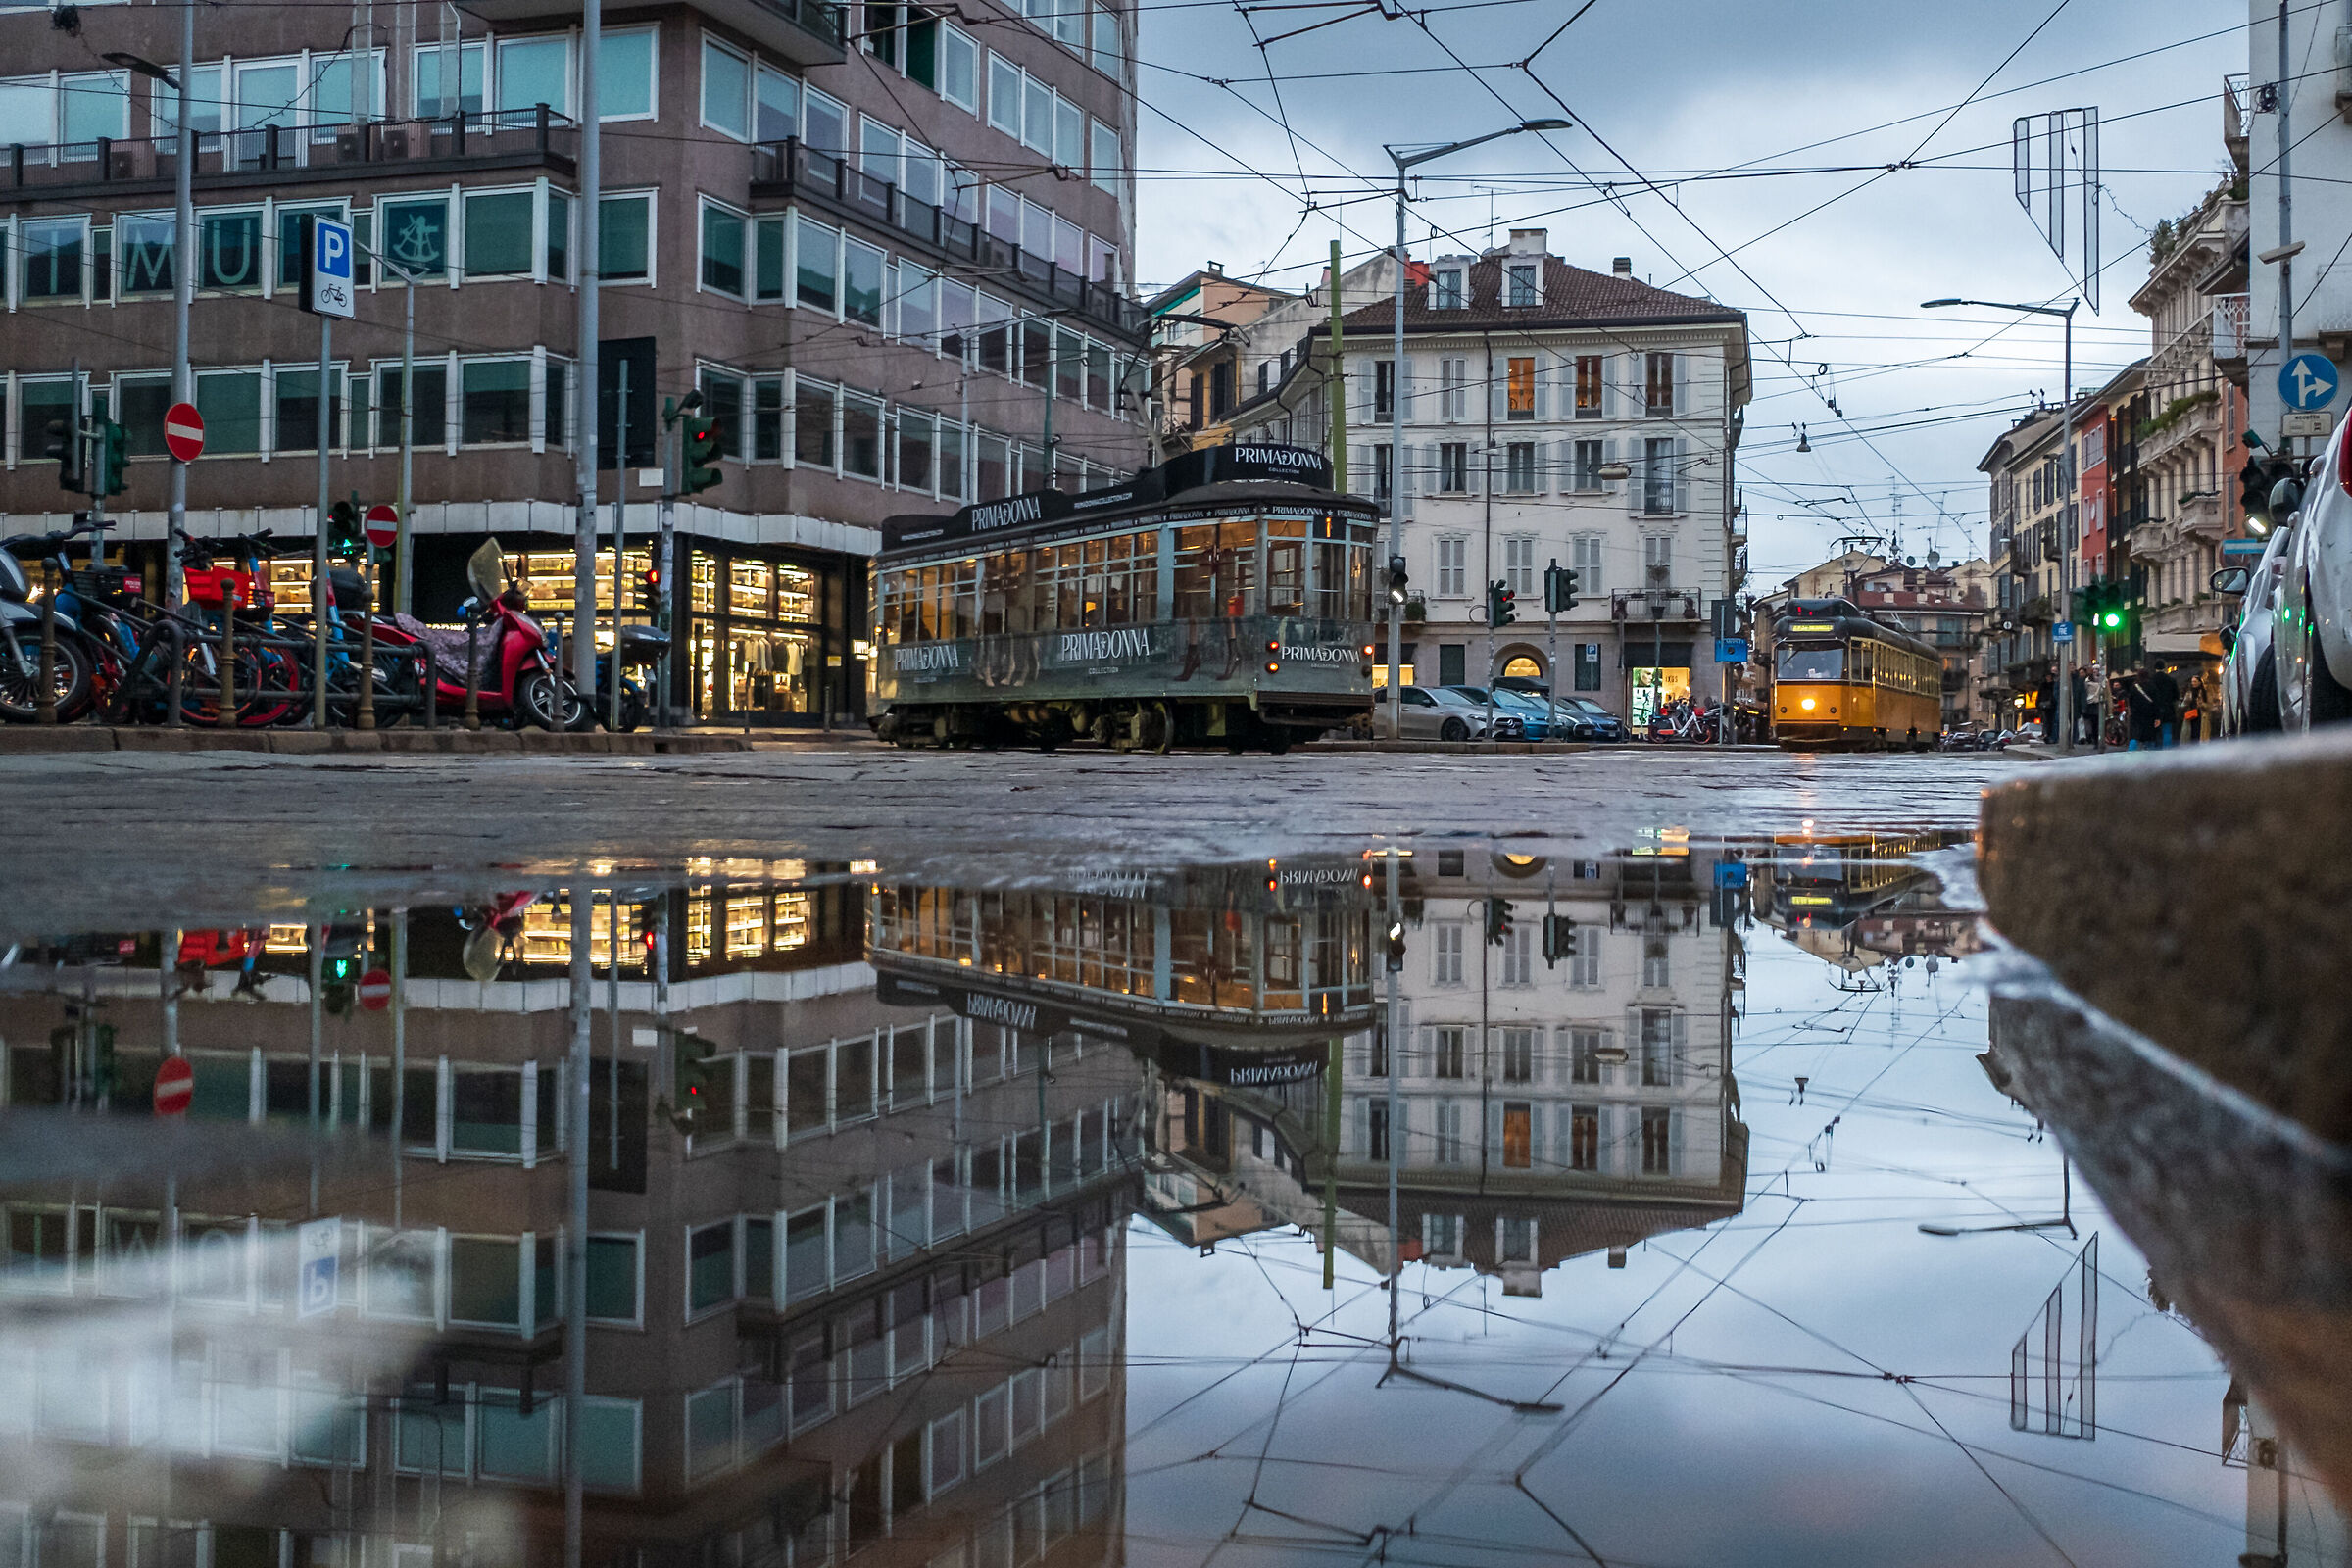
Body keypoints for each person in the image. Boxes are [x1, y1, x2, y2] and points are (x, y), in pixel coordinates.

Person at [2121, 666, 2160, 751]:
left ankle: (2131, 752)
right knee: (2149, 736)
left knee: (2134, 735)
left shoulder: (2134, 687)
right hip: (2149, 714)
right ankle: (2149, 754)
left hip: (2136, 714)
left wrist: (2130, 710)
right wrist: (2157, 717)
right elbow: (2156, 702)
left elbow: (2130, 700)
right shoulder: (2152, 686)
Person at [2146, 662, 2180, 748]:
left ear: (2155, 668)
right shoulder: (2171, 680)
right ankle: (2166, 750)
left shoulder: (2151, 681)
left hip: (2153, 710)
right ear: (2164, 668)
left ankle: (2154, 750)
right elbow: (2176, 696)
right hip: (2168, 708)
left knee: (2154, 731)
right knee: (2167, 731)